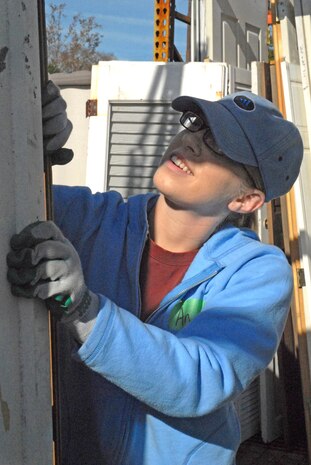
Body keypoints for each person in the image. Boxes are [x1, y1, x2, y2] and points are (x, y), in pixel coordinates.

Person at [7, 81, 303, 465]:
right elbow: (10, 200)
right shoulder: (92, 219)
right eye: (197, 124)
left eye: (220, 144)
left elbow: (202, 378)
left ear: (245, 200)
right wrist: (27, 142)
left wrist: (85, 312)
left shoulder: (256, 271)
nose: (192, 140)